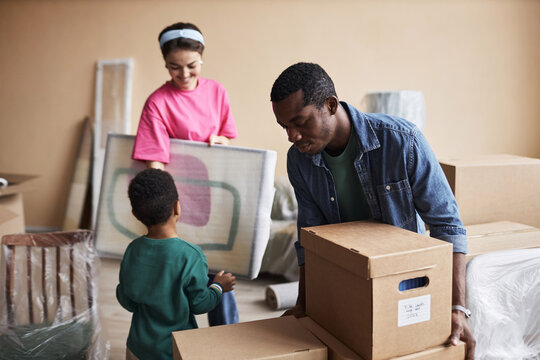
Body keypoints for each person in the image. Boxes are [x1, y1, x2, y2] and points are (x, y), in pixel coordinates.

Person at [270, 62, 476, 359]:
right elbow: (309, 241)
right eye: (284, 127)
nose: (292, 136)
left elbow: (448, 226)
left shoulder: (402, 141)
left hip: (406, 286)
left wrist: (457, 308)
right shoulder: (299, 162)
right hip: (343, 284)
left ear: (330, 105)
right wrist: (304, 305)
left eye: (300, 122)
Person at [131, 21, 239, 326]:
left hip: (213, 192)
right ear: (165, 65)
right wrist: (161, 210)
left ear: (201, 58)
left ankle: (226, 336)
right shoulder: (157, 102)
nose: (184, 74)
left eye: (192, 65)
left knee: (219, 270)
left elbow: (228, 136)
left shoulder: (217, 92)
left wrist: (222, 141)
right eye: (174, 67)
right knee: (182, 270)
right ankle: (182, 339)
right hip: (176, 197)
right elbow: (154, 160)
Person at [116, 168, 236, 360]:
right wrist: (218, 287)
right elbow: (199, 304)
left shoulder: (133, 249)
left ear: (135, 214)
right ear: (177, 207)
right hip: (175, 350)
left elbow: (126, 299)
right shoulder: (192, 256)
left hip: (137, 348)